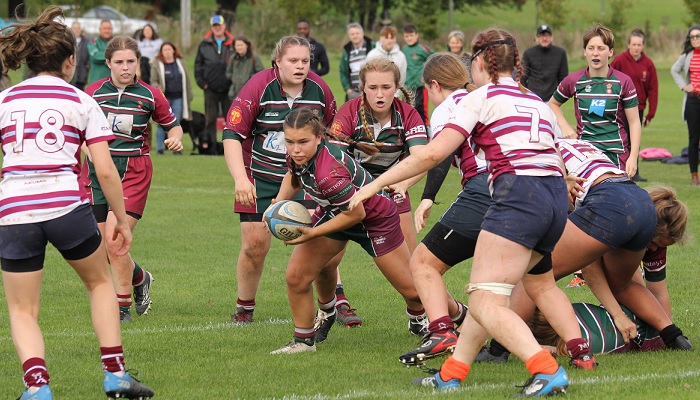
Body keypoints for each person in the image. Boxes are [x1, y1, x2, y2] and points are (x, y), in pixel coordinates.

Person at [350, 28, 587, 396]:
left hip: (516, 199)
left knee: (483, 300)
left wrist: (373, 185)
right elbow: (555, 156)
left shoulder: (479, 98)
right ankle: (453, 373)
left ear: (480, 61)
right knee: (488, 291)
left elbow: (431, 154)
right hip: (554, 199)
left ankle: (546, 369)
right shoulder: (536, 101)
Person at [0, 6, 153, 399]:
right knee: (100, 283)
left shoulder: (6, 99)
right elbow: (104, 170)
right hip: (68, 208)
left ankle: (38, 389)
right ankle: (116, 375)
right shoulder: (81, 100)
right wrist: (119, 217)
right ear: (70, 61)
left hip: (15, 211)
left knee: (22, 310)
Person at [477, 149, 693, 364]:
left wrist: (618, 315)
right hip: (632, 197)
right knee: (623, 285)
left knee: (534, 273)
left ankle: (498, 351)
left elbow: (590, 266)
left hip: (610, 203)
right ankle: (674, 336)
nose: (653, 248)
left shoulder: (537, 153)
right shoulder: (553, 144)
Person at [270, 107, 427, 354]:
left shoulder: (328, 173)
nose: (295, 149)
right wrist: (278, 203)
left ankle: (455, 319)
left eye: (302, 142)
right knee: (297, 277)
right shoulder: (299, 155)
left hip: (374, 219)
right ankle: (304, 340)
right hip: (336, 211)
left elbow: (356, 214)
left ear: (319, 138)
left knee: (413, 291)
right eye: (289, 142)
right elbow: (294, 175)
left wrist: (313, 233)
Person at [222, 35, 336, 325]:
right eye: (293, 61)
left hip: (307, 179)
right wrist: (240, 180)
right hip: (259, 176)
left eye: (305, 61)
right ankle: (244, 307)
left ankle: (334, 304)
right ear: (278, 62)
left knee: (321, 244)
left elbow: (333, 136)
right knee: (254, 245)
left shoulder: (320, 89)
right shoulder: (258, 86)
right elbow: (232, 134)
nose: (300, 66)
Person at [83, 36, 184, 324]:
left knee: (116, 240)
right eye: (119, 62)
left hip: (134, 171)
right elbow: (79, 136)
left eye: (130, 61)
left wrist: (175, 139)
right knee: (100, 248)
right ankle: (141, 278)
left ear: (137, 62)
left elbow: (173, 127)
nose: (125, 67)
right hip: (95, 171)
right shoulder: (91, 94)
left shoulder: (151, 94)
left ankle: (122, 308)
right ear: (108, 64)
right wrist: (89, 151)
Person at [328, 57, 430, 328]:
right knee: (328, 255)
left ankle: (417, 315)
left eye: (386, 87)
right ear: (362, 88)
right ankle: (334, 305)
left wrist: (404, 184)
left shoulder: (408, 114)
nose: (380, 93)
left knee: (412, 263)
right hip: (350, 191)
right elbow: (333, 158)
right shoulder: (349, 112)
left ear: (397, 87)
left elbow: (423, 158)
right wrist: (348, 192)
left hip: (392, 191)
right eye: (372, 87)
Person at [397, 52, 481, 366]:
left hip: (485, 191)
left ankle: (442, 331)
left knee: (422, 263)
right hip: (532, 191)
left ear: (434, 85)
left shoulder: (448, 107)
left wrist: (428, 197)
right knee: (501, 279)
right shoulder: (482, 97)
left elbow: (439, 155)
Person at [550, 23, 640, 179]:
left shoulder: (623, 82)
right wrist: (564, 125)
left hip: (616, 154)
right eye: (591, 48)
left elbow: (634, 122)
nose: (595, 53)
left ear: (610, 52)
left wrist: (633, 156)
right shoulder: (574, 81)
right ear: (585, 52)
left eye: (601, 48)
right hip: (586, 154)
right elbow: (553, 104)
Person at [611, 28, 658, 182]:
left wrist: (651, 113)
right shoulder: (619, 61)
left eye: (639, 45)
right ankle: (618, 170)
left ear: (643, 46)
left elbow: (653, 89)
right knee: (621, 140)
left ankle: (633, 171)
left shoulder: (648, 64)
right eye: (634, 44)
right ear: (628, 45)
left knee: (634, 139)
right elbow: (610, 79)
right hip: (620, 108)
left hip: (638, 108)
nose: (636, 47)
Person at [529, 302, 665, 355]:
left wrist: (551, 350)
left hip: (645, 332)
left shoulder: (588, 342)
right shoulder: (571, 308)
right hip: (636, 310)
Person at [195, 14, 234, 155]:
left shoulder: (232, 43)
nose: (217, 28)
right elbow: (198, 65)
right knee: (210, 119)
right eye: (214, 26)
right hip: (210, 88)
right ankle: (212, 149)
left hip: (228, 89)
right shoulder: (204, 44)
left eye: (219, 25)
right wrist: (202, 83)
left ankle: (230, 148)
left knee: (231, 120)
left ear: (224, 26)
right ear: (212, 28)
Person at [150, 41, 194, 155]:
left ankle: (176, 148)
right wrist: (157, 87)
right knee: (161, 124)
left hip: (179, 98)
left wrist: (190, 94)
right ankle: (160, 148)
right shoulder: (157, 64)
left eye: (169, 49)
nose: (168, 52)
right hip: (164, 99)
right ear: (161, 52)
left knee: (176, 124)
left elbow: (187, 80)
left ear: (174, 50)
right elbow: (153, 80)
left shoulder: (180, 62)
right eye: (165, 50)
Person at [670, 24, 700, 186]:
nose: (695, 39)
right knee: (694, 139)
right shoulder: (688, 55)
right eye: (692, 37)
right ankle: (694, 175)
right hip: (693, 101)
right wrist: (684, 85)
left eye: (698, 36)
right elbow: (674, 70)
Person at [521, 24, 568, 102]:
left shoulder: (560, 53)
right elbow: (522, 76)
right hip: (532, 98)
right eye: (541, 35)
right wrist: (526, 94)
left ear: (552, 37)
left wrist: (558, 97)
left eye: (547, 35)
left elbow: (563, 77)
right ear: (536, 38)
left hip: (553, 100)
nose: (544, 38)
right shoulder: (528, 53)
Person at [402, 24, 433, 125]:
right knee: (407, 112)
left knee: (422, 111)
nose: (409, 38)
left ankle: (427, 136)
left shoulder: (423, 49)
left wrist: (427, 75)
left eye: (411, 35)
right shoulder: (403, 50)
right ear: (404, 37)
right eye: (407, 36)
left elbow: (435, 59)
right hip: (407, 86)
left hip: (420, 86)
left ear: (416, 35)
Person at [339, 22, 373, 101]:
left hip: (370, 93)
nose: (355, 36)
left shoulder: (372, 47)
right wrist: (348, 90)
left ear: (362, 33)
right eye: (352, 34)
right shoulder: (346, 52)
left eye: (357, 33)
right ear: (349, 36)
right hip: (353, 94)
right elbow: (343, 72)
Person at [225, 35, 264, 102]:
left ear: (247, 45)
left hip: (250, 95)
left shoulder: (254, 57)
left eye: (241, 45)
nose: (239, 47)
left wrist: (250, 79)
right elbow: (228, 73)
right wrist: (235, 78)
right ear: (234, 47)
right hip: (234, 95)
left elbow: (262, 74)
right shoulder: (233, 58)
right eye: (237, 45)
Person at [87, 19, 113, 84]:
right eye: (104, 28)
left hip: (113, 83)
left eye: (109, 28)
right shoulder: (94, 42)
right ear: (100, 30)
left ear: (112, 30)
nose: (107, 30)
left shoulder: (117, 43)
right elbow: (95, 56)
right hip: (96, 82)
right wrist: (112, 57)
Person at [70, 21, 90, 90]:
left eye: (78, 28)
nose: (76, 30)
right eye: (74, 28)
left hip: (82, 76)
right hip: (70, 76)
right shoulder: (67, 41)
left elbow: (89, 57)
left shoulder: (87, 42)